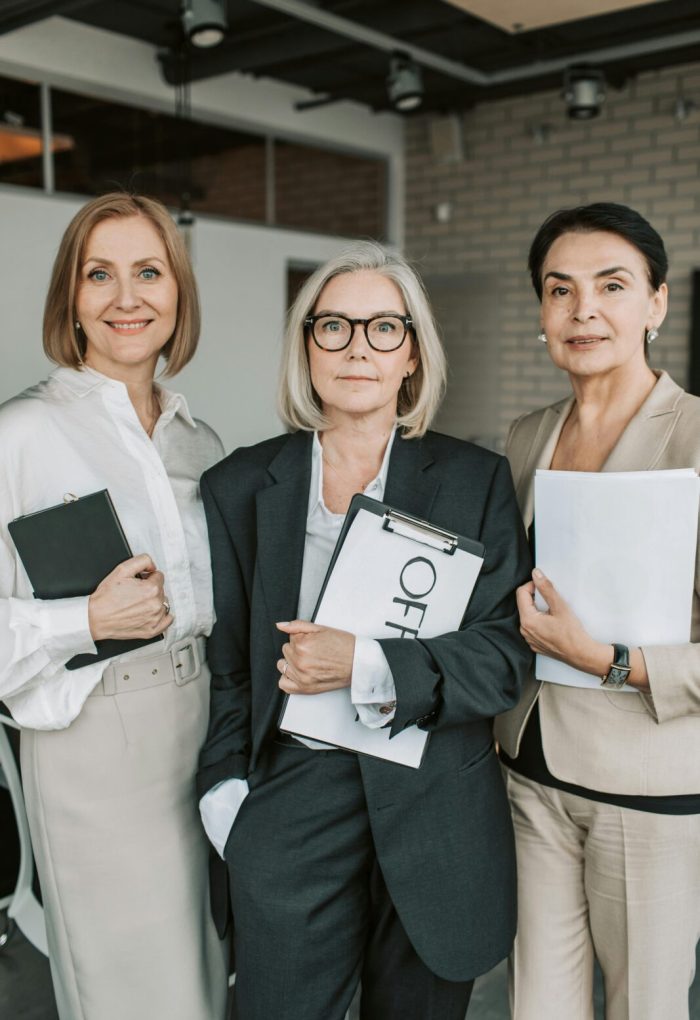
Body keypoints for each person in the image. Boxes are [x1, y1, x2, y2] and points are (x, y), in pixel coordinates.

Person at [197, 240, 532, 1020]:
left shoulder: (475, 481)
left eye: (384, 328)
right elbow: (228, 667)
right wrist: (228, 802)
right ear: (306, 347)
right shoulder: (241, 486)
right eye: (334, 327)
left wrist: (368, 663)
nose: (358, 348)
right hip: (291, 801)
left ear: (412, 352)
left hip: (435, 802)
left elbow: (505, 656)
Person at [0, 193, 228, 1019]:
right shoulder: (20, 435)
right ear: (71, 296)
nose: (126, 297)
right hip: (92, 742)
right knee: (134, 993)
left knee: (206, 978)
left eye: (148, 272)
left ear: (178, 294)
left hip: (202, 725)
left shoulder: (200, 443)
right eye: (100, 274)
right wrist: (85, 622)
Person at [495, 202, 700, 1020]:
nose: (583, 311)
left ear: (655, 304)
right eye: (560, 290)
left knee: (642, 1009)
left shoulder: (693, 434)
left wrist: (611, 659)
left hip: (644, 787)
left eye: (611, 286)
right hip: (528, 771)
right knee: (536, 1007)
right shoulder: (526, 435)